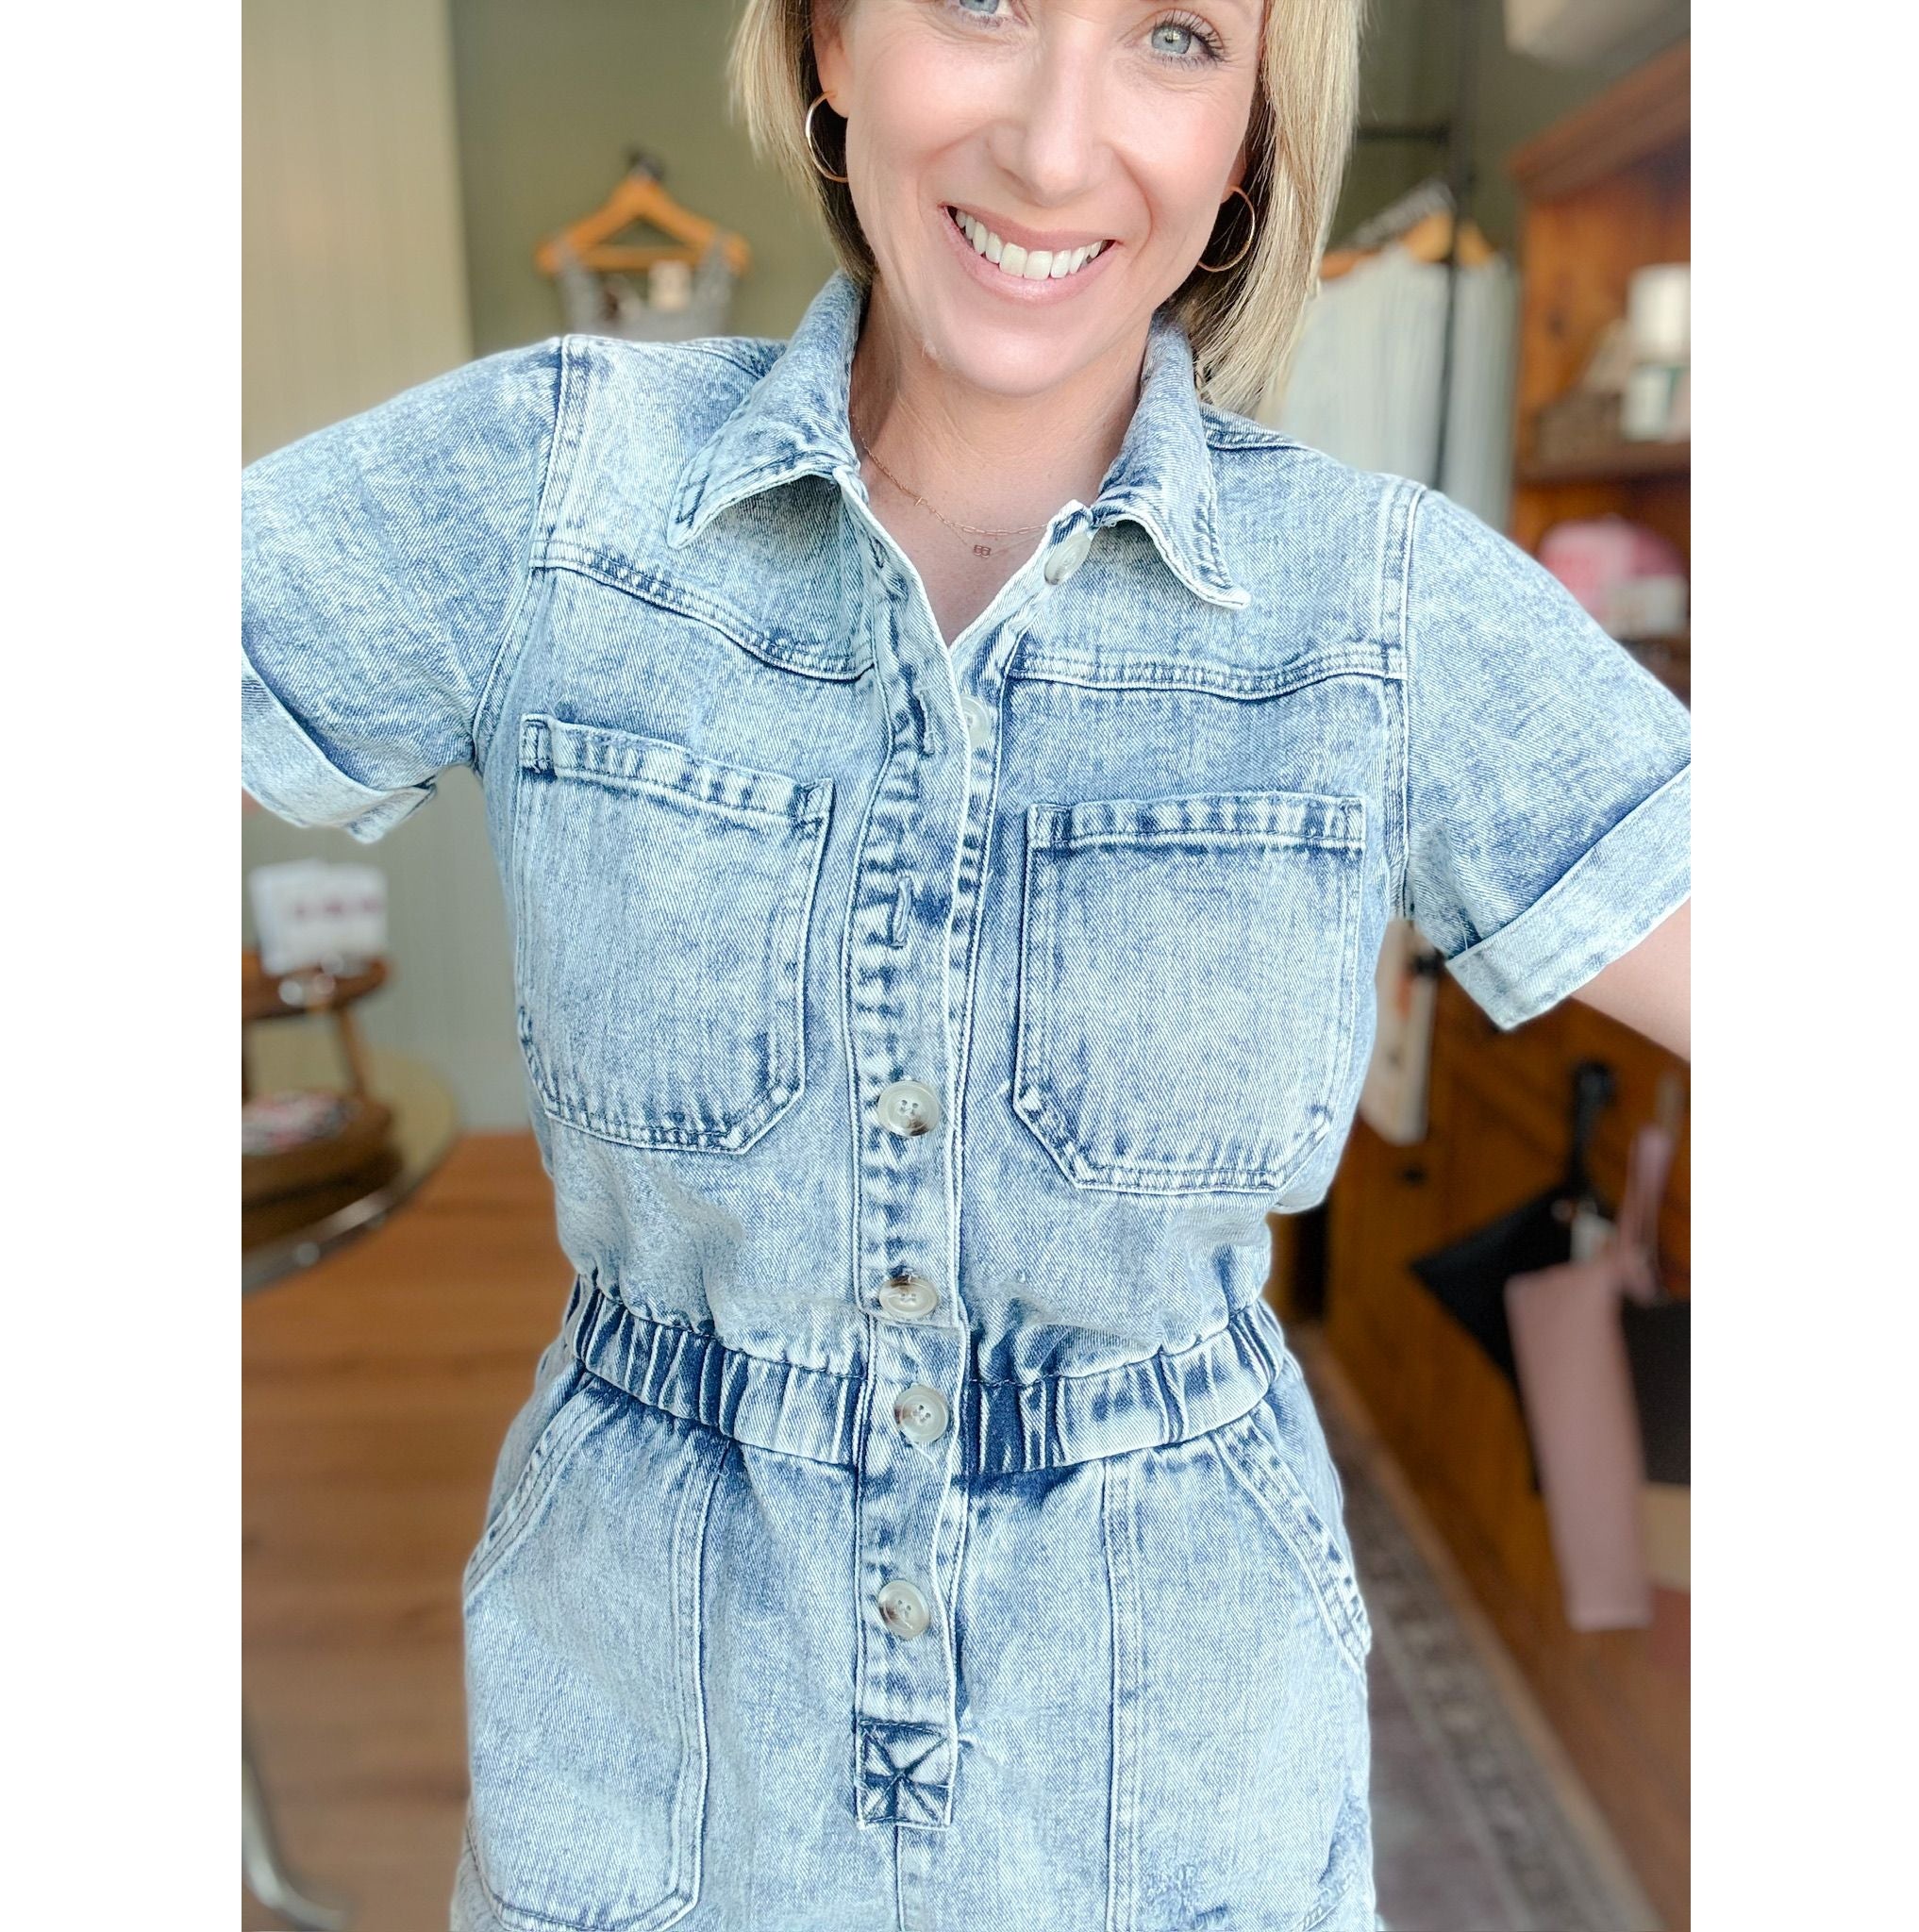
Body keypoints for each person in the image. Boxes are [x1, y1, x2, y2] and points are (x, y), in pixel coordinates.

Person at [240, 2, 1691, 1926]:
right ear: (829, 40)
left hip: (1175, 1802)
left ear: (1253, 128)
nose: (1055, 143)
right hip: (651, 1779)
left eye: (1176, 33)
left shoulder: (1378, 604)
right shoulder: (559, 487)